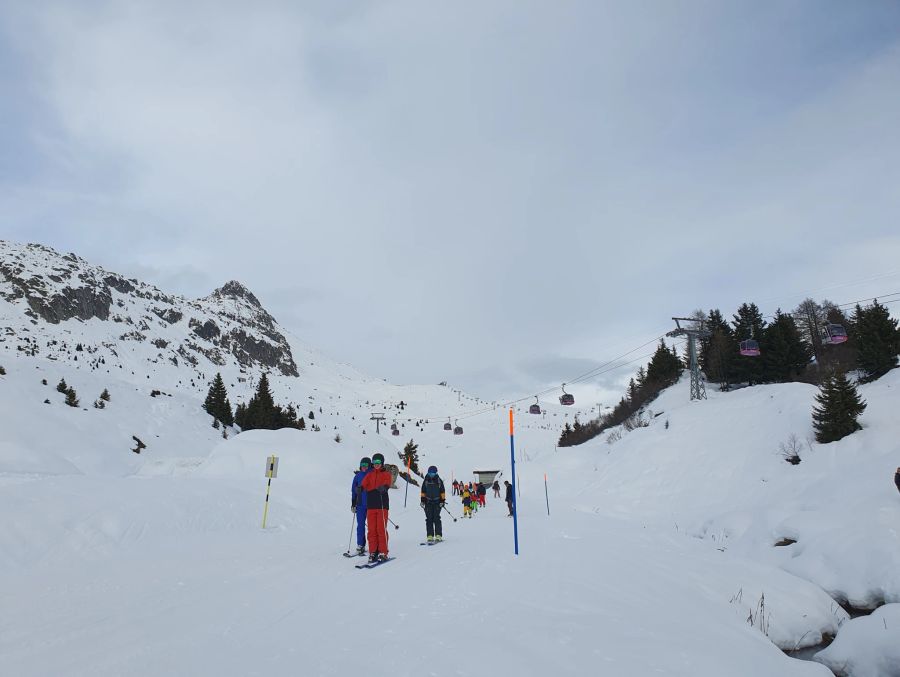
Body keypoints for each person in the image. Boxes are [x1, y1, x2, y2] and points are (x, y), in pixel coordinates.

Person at [360, 452, 392, 562]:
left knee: (381, 529)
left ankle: (383, 551)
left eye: (378, 462)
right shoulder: (369, 474)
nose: (376, 464)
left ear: (382, 463)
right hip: (371, 505)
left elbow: (388, 482)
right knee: (372, 530)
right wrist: (360, 488)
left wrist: (384, 487)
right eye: (374, 463)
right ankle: (373, 551)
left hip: (382, 505)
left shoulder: (386, 474)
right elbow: (364, 484)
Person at [350, 457, 371, 555]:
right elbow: (353, 490)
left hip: (371, 504)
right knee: (360, 525)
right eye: (362, 465)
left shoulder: (372, 474)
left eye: (366, 465)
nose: (364, 467)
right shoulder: (357, 476)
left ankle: (374, 545)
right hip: (360, 504)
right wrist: (353, 503)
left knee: (372, 526)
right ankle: (361, 544)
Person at [420, 465, 446, 542]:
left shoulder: (439, 480)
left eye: (433, 472)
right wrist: (422, 500)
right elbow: (423, 491)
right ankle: (430, 535)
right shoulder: (426, 480)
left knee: (436, 518)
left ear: (436, 473)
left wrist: (442, 501)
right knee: (429, 519)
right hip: (428, 502)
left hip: (437, 502)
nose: (431, 474)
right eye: (430, 472)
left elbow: (442, 491)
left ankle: (438, 535)